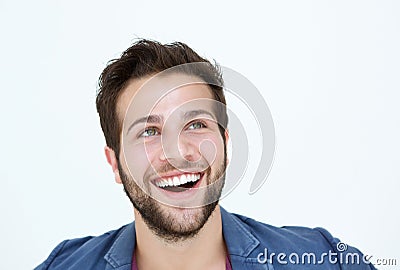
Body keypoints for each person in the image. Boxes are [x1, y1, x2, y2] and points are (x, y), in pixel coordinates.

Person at [35, 39, 375, 270]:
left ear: (225, 144)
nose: (178, 152)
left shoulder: (325, 259)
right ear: (114, 162)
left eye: (196, 124)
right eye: (148, 132)